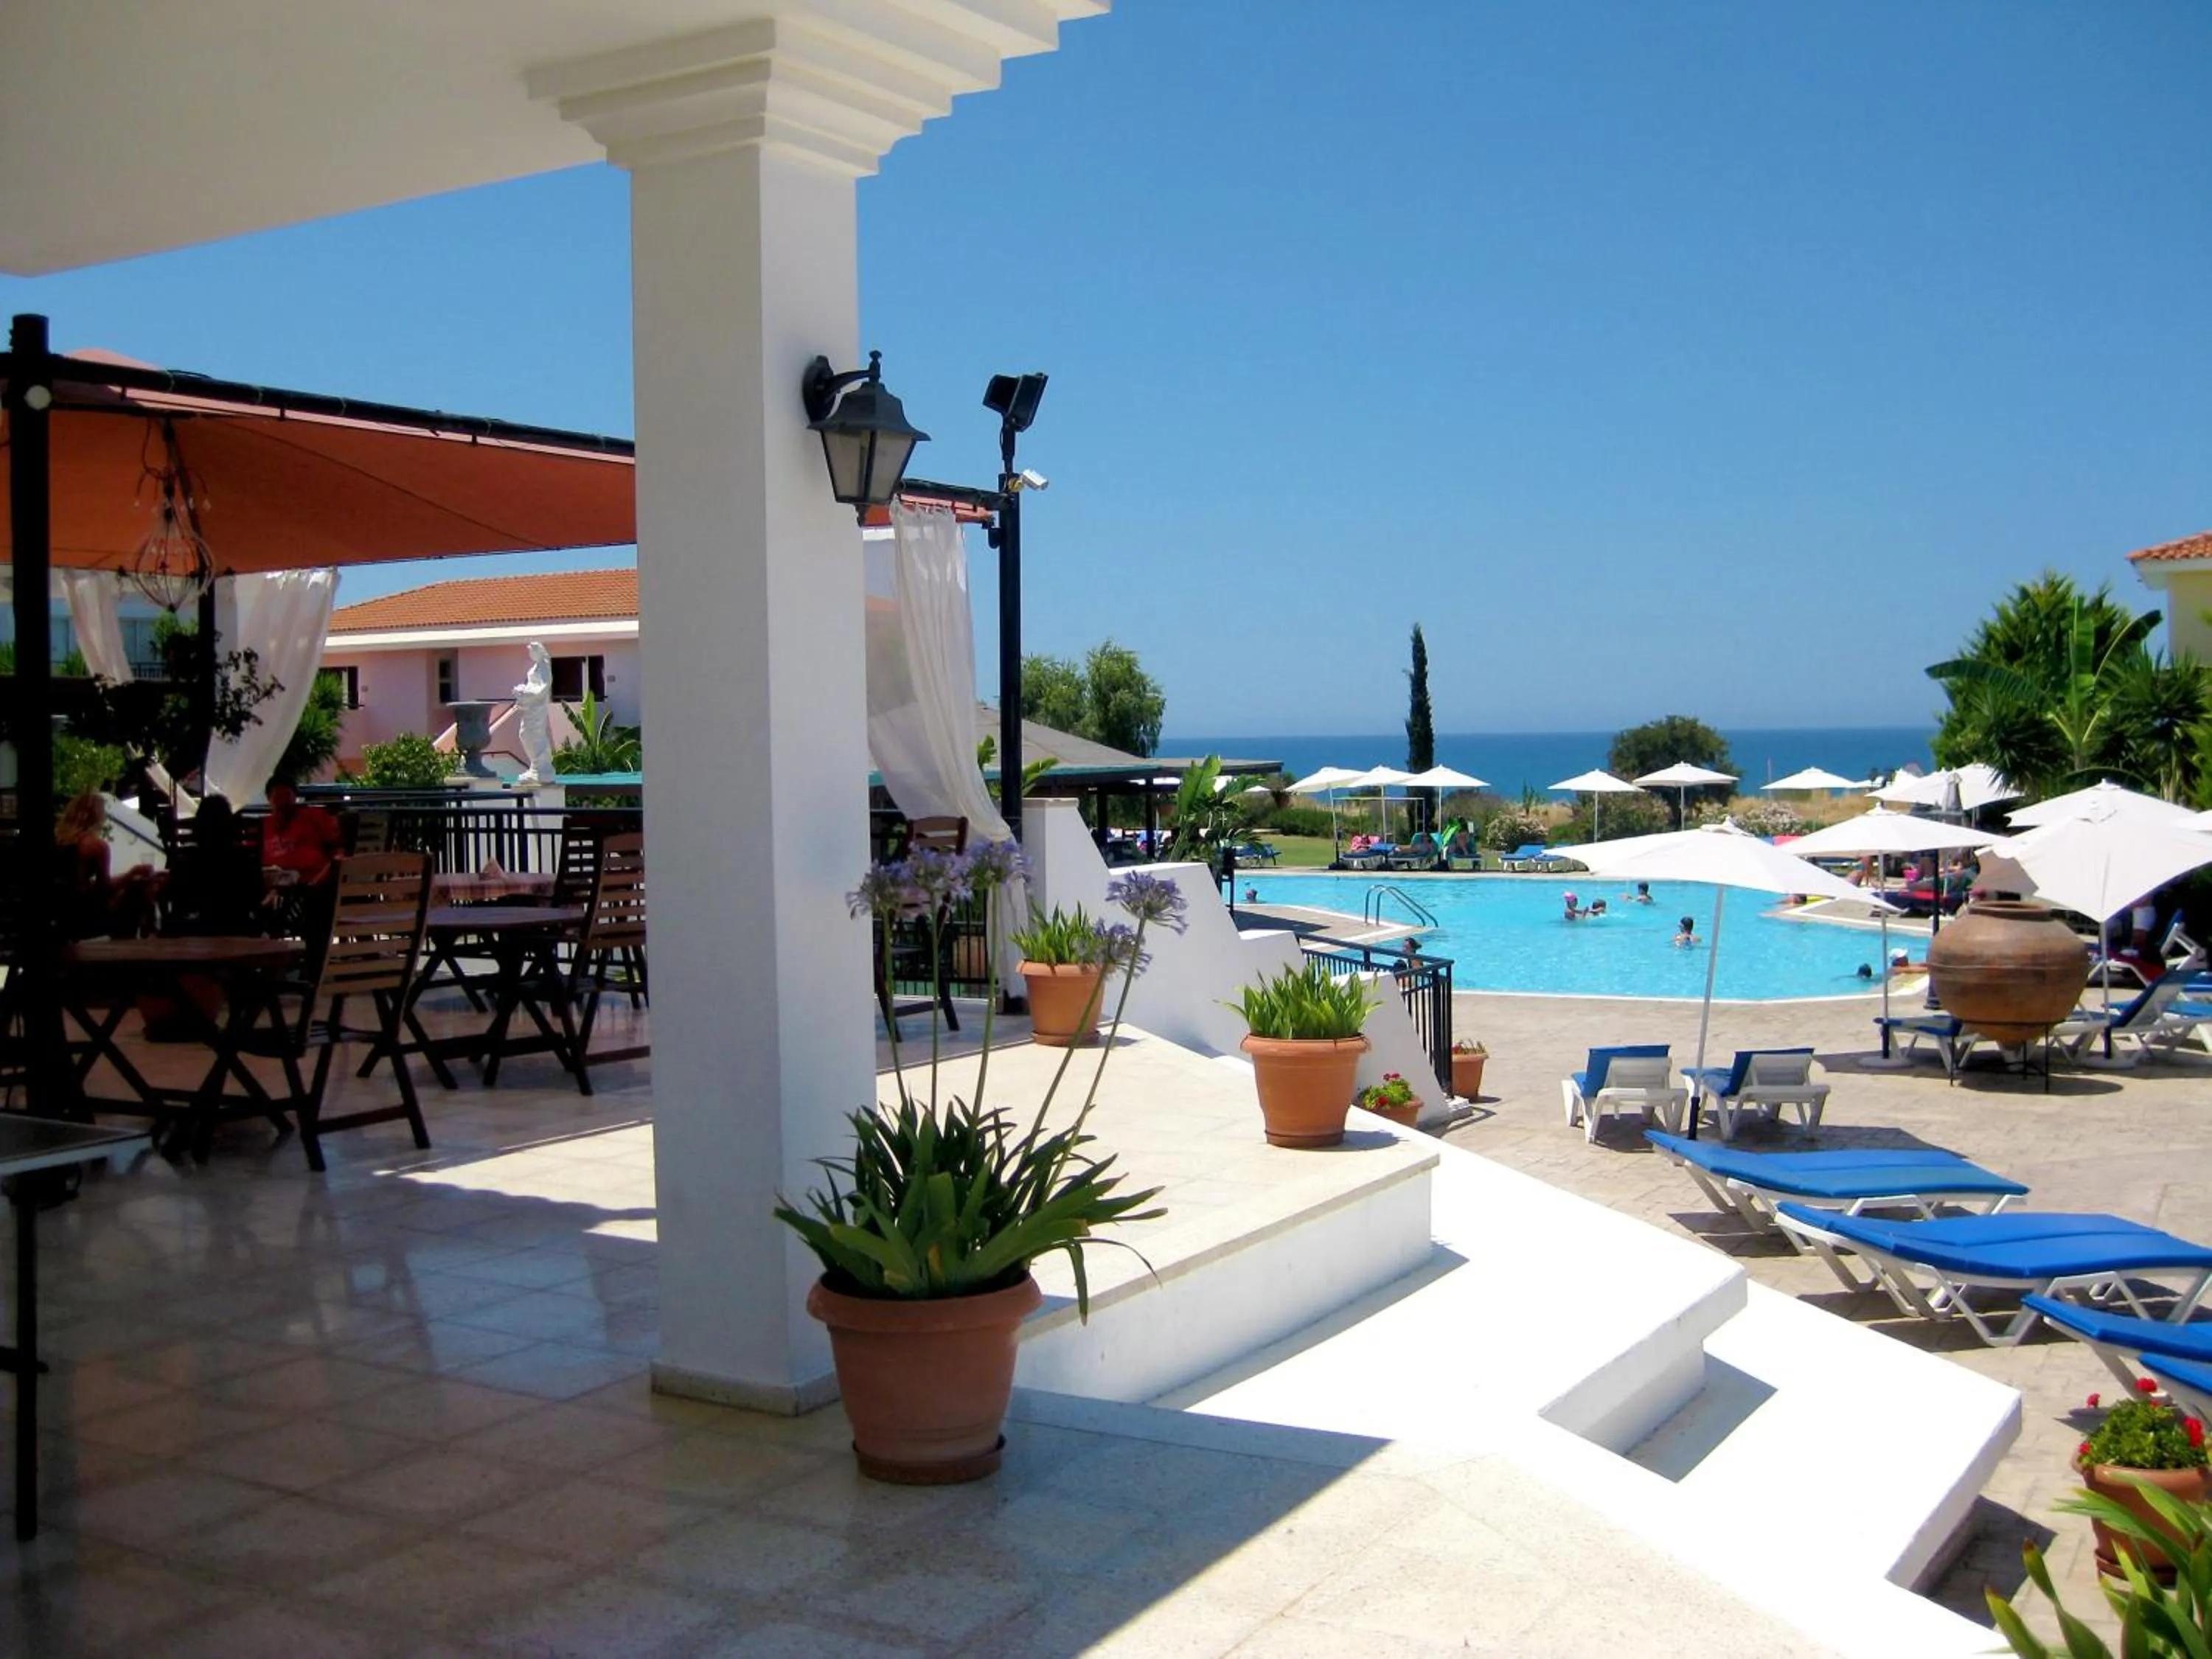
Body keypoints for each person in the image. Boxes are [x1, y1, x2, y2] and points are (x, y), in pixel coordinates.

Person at [56, 790, 159, 939]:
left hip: (62, 914)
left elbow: (78, 885)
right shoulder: (97, 846)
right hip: (84, 918)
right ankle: (131, 946)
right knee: (138, 888)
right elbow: (103, 890)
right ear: (95, 816)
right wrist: (132, 876)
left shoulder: (59, 841)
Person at [259, 781, 342, 888]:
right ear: (269, 799)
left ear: (294, 797)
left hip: (313, 883)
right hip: (273, 884)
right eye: (278, 797)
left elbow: (337, 848)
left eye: (286, 796)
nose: (283, 802)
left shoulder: (314, 817)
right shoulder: (262, 826)